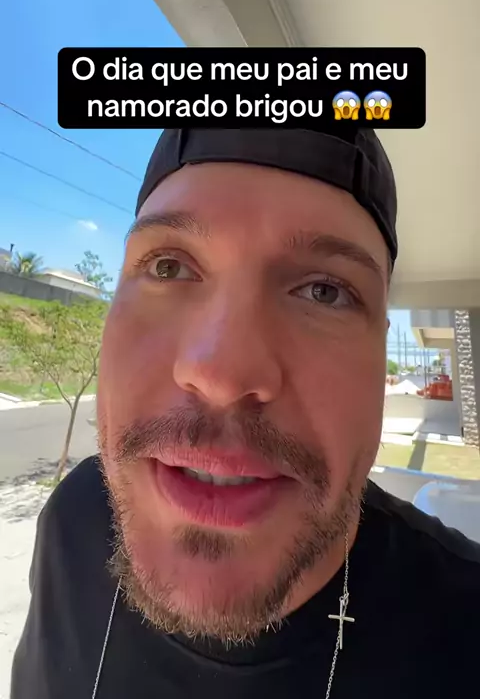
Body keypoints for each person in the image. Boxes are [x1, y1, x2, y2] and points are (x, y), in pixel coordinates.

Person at [11, 128, 480, 699]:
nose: (221, 376)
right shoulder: (73, 519)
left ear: (381, 346)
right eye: (168, 267)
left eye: (325, 291)